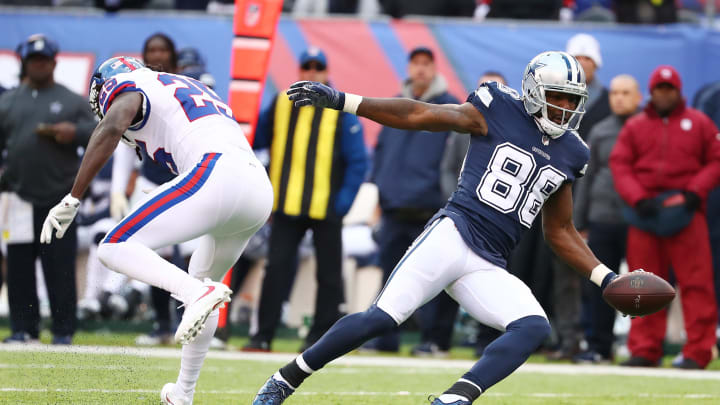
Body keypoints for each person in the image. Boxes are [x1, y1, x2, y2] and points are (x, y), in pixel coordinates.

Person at [252, 51, 628, 405]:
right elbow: (419, 114)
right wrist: (344, 101)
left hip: (489, 262)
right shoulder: (497, 108)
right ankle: (285, 379)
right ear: (533, 90)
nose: (565, 108)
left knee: (532, 327)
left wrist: (606, 279)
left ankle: (455, 398)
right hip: (452, 234)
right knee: (380, 319)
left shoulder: (573, 152)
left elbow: (560, 230)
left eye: (572, 100)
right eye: (558, 97)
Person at [39, 56, 272, 404]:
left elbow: (113, 124)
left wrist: (74, 196)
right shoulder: (183, 86)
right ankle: (182, 393)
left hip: (218, 175)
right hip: (257, 190)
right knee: (204, 279)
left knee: (113, 246)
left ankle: (193, 293)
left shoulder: (135, 85)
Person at [243, 47, 367, 352]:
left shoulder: (339, 105)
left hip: (326, 207)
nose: (311, 73)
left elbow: (358, 160)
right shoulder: (281, 102)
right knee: (276, 270)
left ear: (326, 72)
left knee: (328, 275)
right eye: (306, 68)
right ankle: (263, 336)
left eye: (317, 68)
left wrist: (343, 202)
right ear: (299, 71)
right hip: (286, 205)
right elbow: (256, 139)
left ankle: (319, 340)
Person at [610, 65, 720, 370]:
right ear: (652, 91)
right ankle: (645, 349)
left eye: (669, 89)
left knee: (697, 284)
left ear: (678, 91)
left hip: (685, 212)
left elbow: (715, 159)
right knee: (642, 287)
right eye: (660, 88)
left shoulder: (699, 123)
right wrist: (638, 198)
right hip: (645, 214)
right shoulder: (635, 126)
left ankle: (699, 351)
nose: (664, 94)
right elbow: (620, 164)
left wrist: (696, 192)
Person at [362, 46, 459, 357]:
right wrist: (378, 198)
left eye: (425, 64)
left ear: (434, 68)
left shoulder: (451, 107)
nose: (420, 69)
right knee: (391, 275)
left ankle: (434, 340)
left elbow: (458, 160)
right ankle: (385, 338)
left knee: (435, 278)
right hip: (393, 207)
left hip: (432, 207)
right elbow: (381, 157)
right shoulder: (396, 105)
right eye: (415, 63)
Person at [0, 34, 96, 345]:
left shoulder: (72, 101)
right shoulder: (8, 102)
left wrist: (75, 132)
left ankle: (63, 330)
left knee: (60, 267)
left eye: (44, 60)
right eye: (34, 60)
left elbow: (99, 134)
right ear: (25, 64)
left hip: (59, 198)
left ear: (54, 63)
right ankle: (23, 329)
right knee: (18, 268)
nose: (39, 65)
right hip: (17, 196)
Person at [545, 32, 612, 361]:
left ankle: (597, 343)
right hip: (556, 193)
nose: (583, 65)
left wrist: (583, 215)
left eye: (588, 59)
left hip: (593, 203)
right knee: (561, 277)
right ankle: (567, 338)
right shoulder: (552, 97)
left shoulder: (607, 105)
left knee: (595, 274)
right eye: (577, 59)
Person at [572, 74, 642, 364]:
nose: (619, 98)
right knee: (601, 285)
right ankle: (599, 346)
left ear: (639, 97)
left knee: (641, 287)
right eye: (614, 93)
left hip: (639, 220)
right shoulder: (600, 131)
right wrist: (580, 220)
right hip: (602, 218)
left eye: (626, 92)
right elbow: (586, 180)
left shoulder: (646, 129)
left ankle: (642, 348)